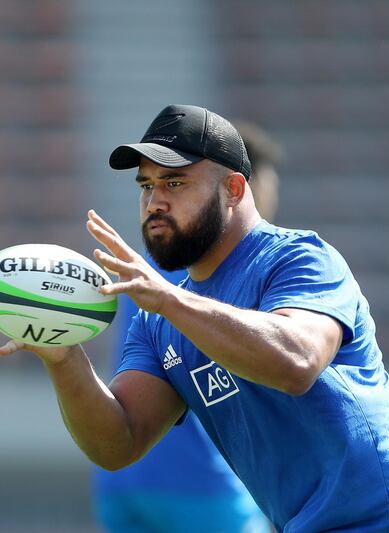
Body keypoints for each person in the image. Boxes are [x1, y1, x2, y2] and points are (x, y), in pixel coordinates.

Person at [0, 104, 389, 532]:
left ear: (235, 189)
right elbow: (120, 441)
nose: (154, 201)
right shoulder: (157, 316)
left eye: (174, 181)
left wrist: (170, 301)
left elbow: (296, 361)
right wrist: (64, 357)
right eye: (146, 186)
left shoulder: (298, 258)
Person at [91, 121, 282, 533]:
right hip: (202, 483)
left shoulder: (150, 261)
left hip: (123, 481)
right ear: (236, 186)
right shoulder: (208, 266)